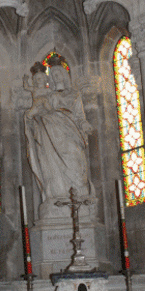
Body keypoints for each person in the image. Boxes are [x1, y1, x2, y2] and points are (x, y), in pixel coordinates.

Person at [24, 54, 94, 214]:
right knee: (52, 163)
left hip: (72, 133)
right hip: (51, 133)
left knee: (76, 160)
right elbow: (39, 111)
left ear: (64, 75)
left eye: (58, 74)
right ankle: (57, 195)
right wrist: (31, 116)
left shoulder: (74, 94)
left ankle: (80, 195)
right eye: (53, 75)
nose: (56, 77)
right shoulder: (50, 96)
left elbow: (79, 115)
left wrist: (84, 124)